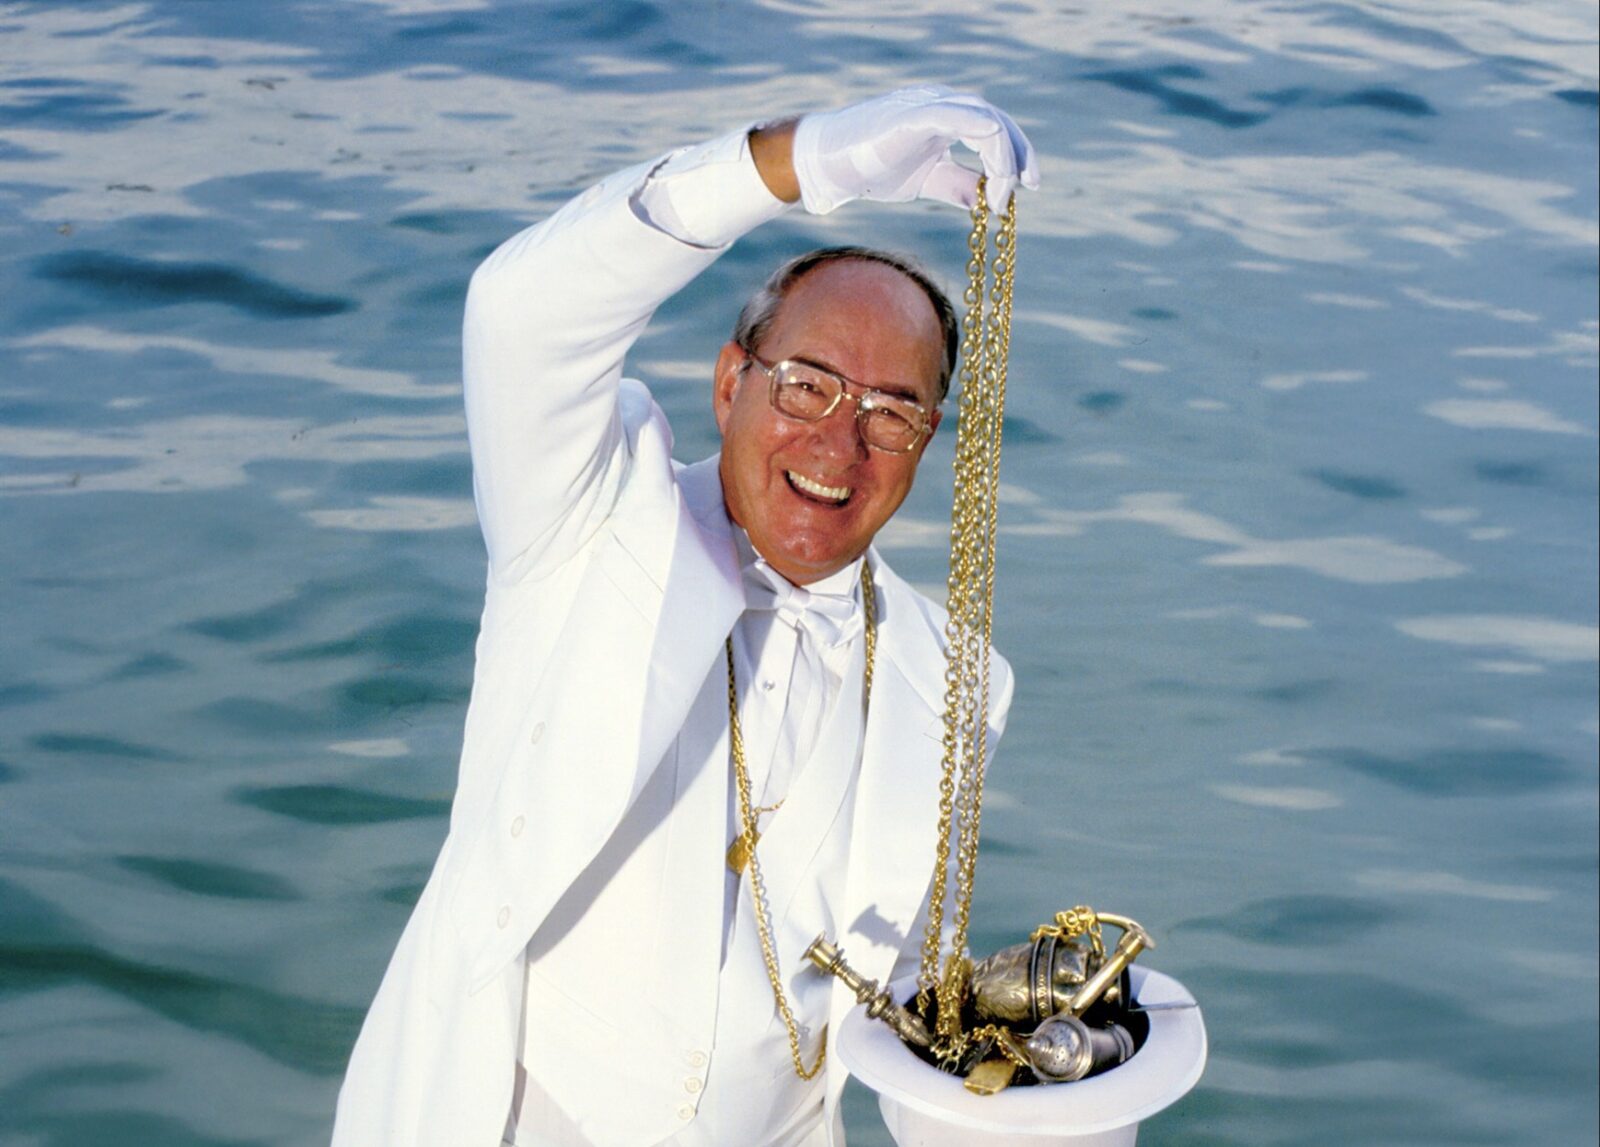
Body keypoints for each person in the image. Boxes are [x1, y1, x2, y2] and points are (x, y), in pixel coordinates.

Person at [332, 86, 1039, 1147]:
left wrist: (1030, 1103)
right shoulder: (588, 516)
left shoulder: (954, 681)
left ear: (927, 442)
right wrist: (794, 164)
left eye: (889, 414)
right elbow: (521, 314)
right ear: (727, 384)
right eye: (805, 386)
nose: (837, 444)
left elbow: (886, 999)